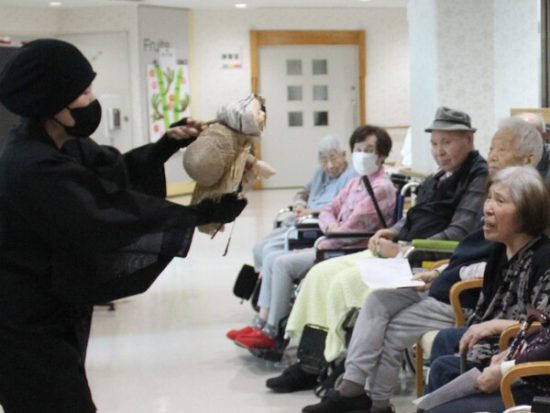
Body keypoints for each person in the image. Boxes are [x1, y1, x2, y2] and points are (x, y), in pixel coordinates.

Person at [0, 39, 246, 412]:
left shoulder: (62, 143)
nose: (92, 100)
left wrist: (165, 145)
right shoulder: (31, 165)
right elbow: (102, 214)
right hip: (21, 318)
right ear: (52, 100)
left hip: (53, 306)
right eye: (83, 92)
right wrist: (197, 214)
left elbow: (112, 176)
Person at [299, 117, 544, 413]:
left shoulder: (515, 205)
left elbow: (469, 248)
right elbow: (457, 244)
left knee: (388, 323)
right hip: (440, 273)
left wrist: (413, 253)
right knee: (374, 299)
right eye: (491, 147)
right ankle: (351, 387)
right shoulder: (450, 181)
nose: (492, 155)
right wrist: (433, 266)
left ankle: (374, 402)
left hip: (456, 291)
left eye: (500, 149)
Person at [266, 106, 488, 393]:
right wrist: (392, 230)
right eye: (434, 143)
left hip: (422, 259)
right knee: (319, 274)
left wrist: (405, 249)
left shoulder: (477, 176)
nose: (439, 151)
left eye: (446, 143)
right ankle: (310, 360)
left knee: (342, 282)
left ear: (468, 140)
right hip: (400, 249)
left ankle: (332, 361)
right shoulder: (440, 175)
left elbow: (458, 232)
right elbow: (415, 215)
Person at [228, 125, 396, 350]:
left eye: (369, 150)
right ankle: (262, 323)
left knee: (282, 263)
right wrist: (331, 226)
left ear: (382, 155)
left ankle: (273, 333)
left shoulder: (381, 188)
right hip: (330, 241)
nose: (362, 155)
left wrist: (326, 236)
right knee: (271, 256)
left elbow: (349, 232)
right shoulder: (357, 182)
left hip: (350, 249)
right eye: (358, 149)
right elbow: (328, 210)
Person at [422, 166, 550, 413]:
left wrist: (506, 359)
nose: (488, 208)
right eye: (489, 198)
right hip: (514, 351)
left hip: (529, 375)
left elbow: (541, 327)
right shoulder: (498, 250)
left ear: (527, 212)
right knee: (443, 361)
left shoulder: (544, 260)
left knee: (441, 391)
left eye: (499, 201)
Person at [250, 134, 356, 285]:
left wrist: (311, 212)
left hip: (315, 226)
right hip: (300, 221)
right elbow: (304, 192)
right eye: (324, 160)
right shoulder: (320, 173)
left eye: (333, 158)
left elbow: (342, 209)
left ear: (344, 155)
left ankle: (268, 284)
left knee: (269, 249)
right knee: (258, 247)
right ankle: (262, 284)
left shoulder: (351, 176)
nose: (330, 165)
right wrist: (300, 204)